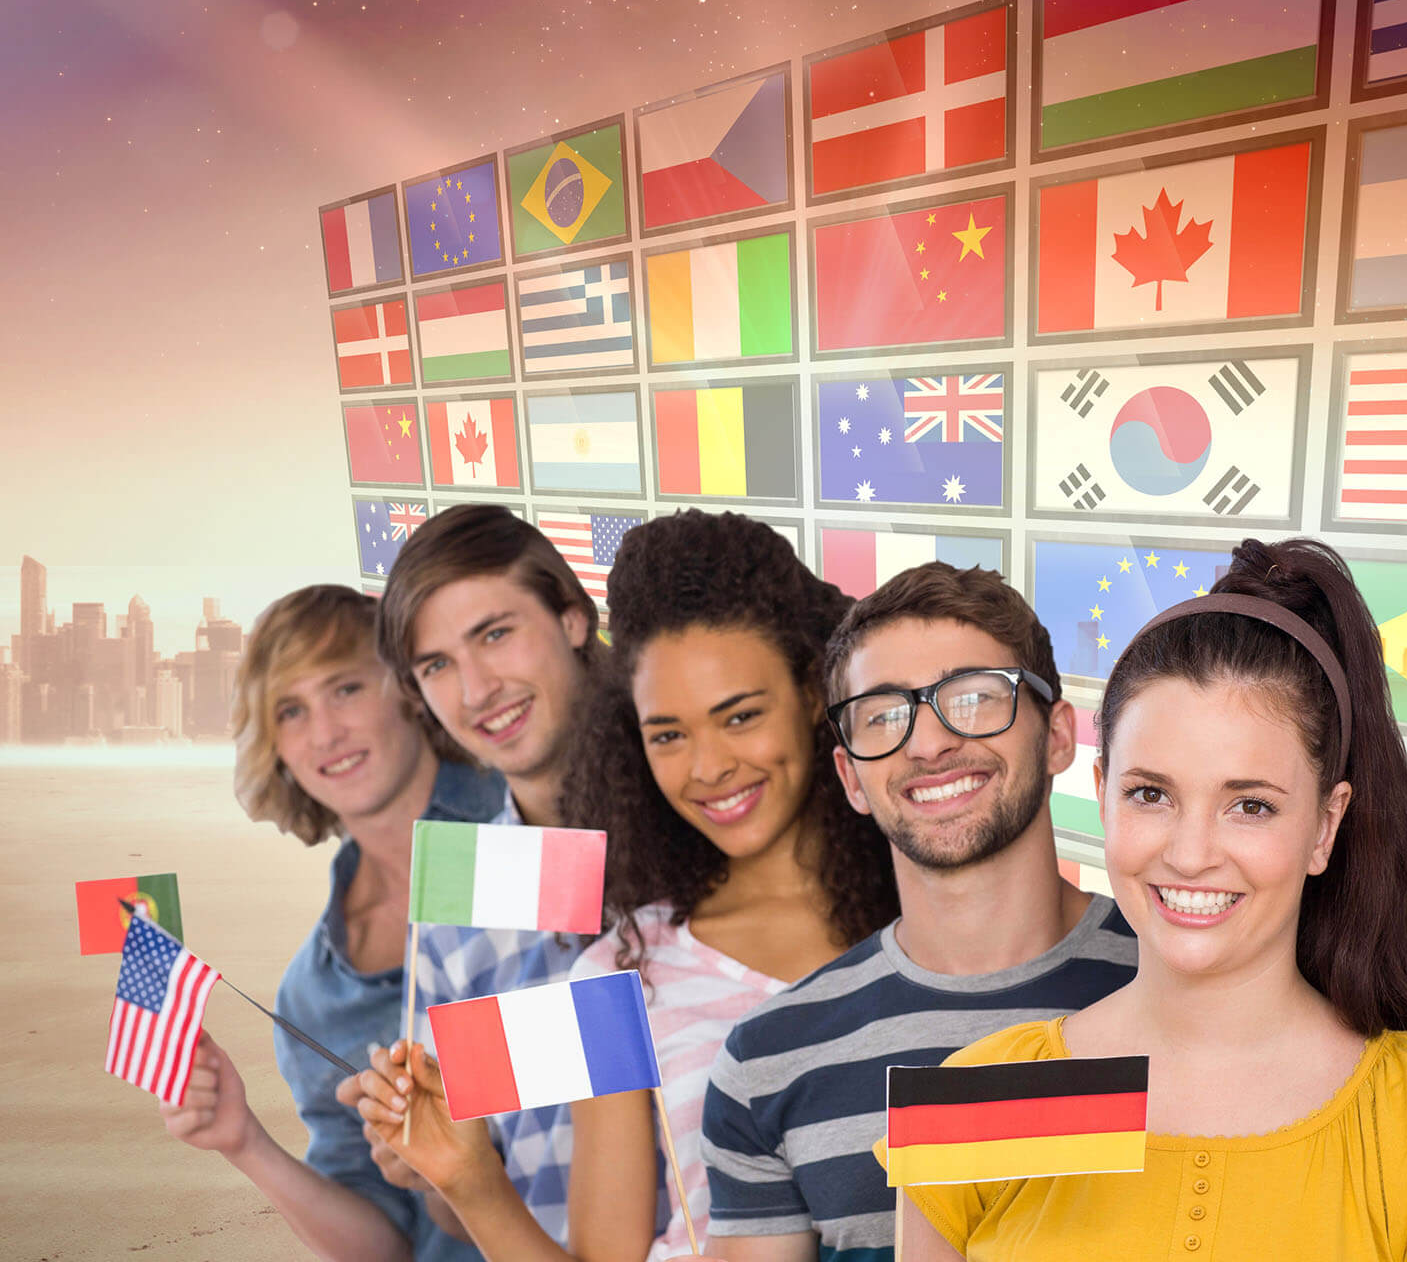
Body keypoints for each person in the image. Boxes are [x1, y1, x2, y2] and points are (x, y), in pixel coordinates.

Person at [898, 539, 1407, 1262]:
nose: (1189, 854)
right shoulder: (981, 1099)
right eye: (1150, 794)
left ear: (1325, 826)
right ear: (1102, 798)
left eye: (1249, 805)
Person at [353, 512, 900, 1261]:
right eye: (668, 734)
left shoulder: (925, 911)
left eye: (739, 716)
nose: (708, 766)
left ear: (811, 693)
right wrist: (469, 1176)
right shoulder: (621, 972)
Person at [691, 563, 1138, 1262]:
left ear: (1057, 737)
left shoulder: (1181, 980)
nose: (929, 744)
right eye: (884, 715)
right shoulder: (767, 1062)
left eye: (974, 698)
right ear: (851, 779)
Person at [157, 584, 503, 1262]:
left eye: (345, 689)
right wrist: (245, 1141)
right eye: (291, 710)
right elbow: (388, 1245)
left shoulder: (525, 834)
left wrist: (456, 1151)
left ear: (408, 688)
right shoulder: (312, 994)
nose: (325, 732)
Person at [366, 502, 604, 1244]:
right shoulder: (454, 911)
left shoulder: (709, 820)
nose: (475, 691)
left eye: (495, 635)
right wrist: (429, 1165)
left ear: (571, 617)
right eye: (437, 665)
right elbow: (471, 1203)